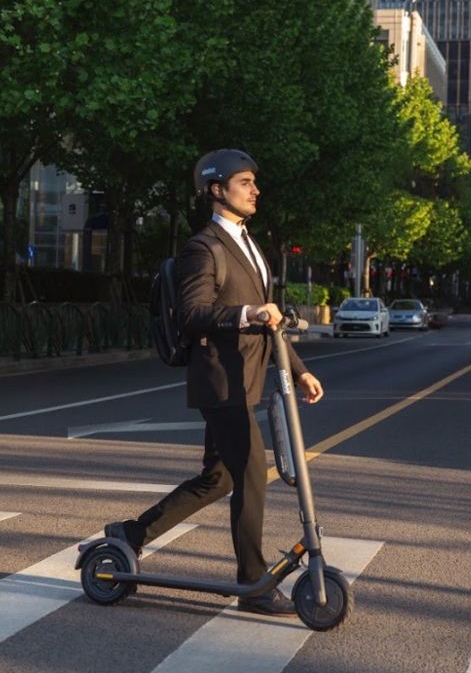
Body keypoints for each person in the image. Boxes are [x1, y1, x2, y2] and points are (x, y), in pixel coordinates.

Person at [104, 149, 324, 617]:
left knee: (218, 478)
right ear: (217, 190)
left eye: (253, 182)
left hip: (245, 379)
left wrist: (300, 369)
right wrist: (248, 313)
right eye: (245, 182)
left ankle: (131, 534)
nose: (255, 189)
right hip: (221, 382)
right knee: (251, 475)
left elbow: (271, 319)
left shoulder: (249, 244)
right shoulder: (202, 248)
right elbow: (192, 314)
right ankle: (254, 584)